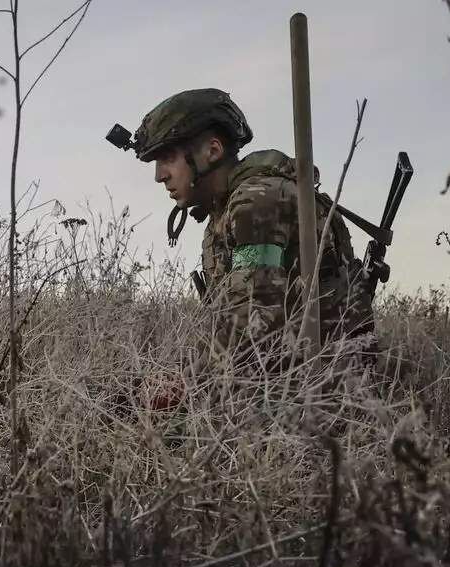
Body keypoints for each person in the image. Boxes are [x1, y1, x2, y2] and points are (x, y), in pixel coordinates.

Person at [127, 88, 378, 373]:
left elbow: (252, 322)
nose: (159, 175)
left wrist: (184, 382)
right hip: (287, 373)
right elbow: (229, 324)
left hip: (327, 382)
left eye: (168, 158)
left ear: (212, 151)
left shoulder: (256, 202)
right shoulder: (222, 213)